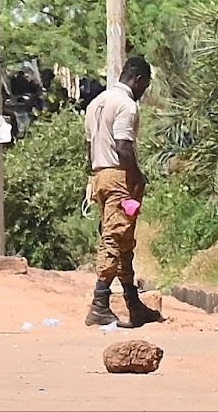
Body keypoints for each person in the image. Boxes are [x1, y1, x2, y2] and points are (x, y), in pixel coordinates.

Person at [83, 56, 163, 328]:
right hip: (119, 176)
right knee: (115, 238)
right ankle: (99, 303)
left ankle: (133, 304)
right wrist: (137, 177)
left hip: (100, 175)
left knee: (124, 240)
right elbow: (123, 147)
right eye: (145, 86)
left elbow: (89, 147)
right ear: (138, 80)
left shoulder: (96, 103)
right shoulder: (126, 106)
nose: (144, 92)